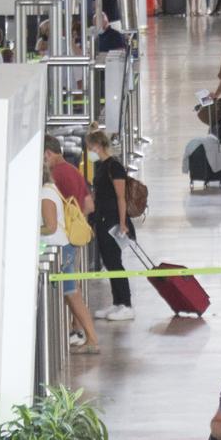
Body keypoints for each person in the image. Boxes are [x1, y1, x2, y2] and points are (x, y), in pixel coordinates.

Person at [42, 137, 101, 353]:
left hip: (61, 241)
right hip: (72, 238)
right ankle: (76, 330)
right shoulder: (74, 171)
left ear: (47, 154)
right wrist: (75, 226)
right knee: (71, 290)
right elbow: (89, 204)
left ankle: (92, 338)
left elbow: (50, 220)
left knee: (70, 292)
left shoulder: (56, 176)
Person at [85, 129, 135, 321]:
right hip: (102, 219)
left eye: (90, 147)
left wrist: (123, 223)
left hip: (114, 221)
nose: (89, 151)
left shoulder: (114, 167)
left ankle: (127, 304)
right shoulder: (101, 166)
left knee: (115, 262)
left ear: (97, 146)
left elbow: (121, 198)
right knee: (109, 262)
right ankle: (117, 303)